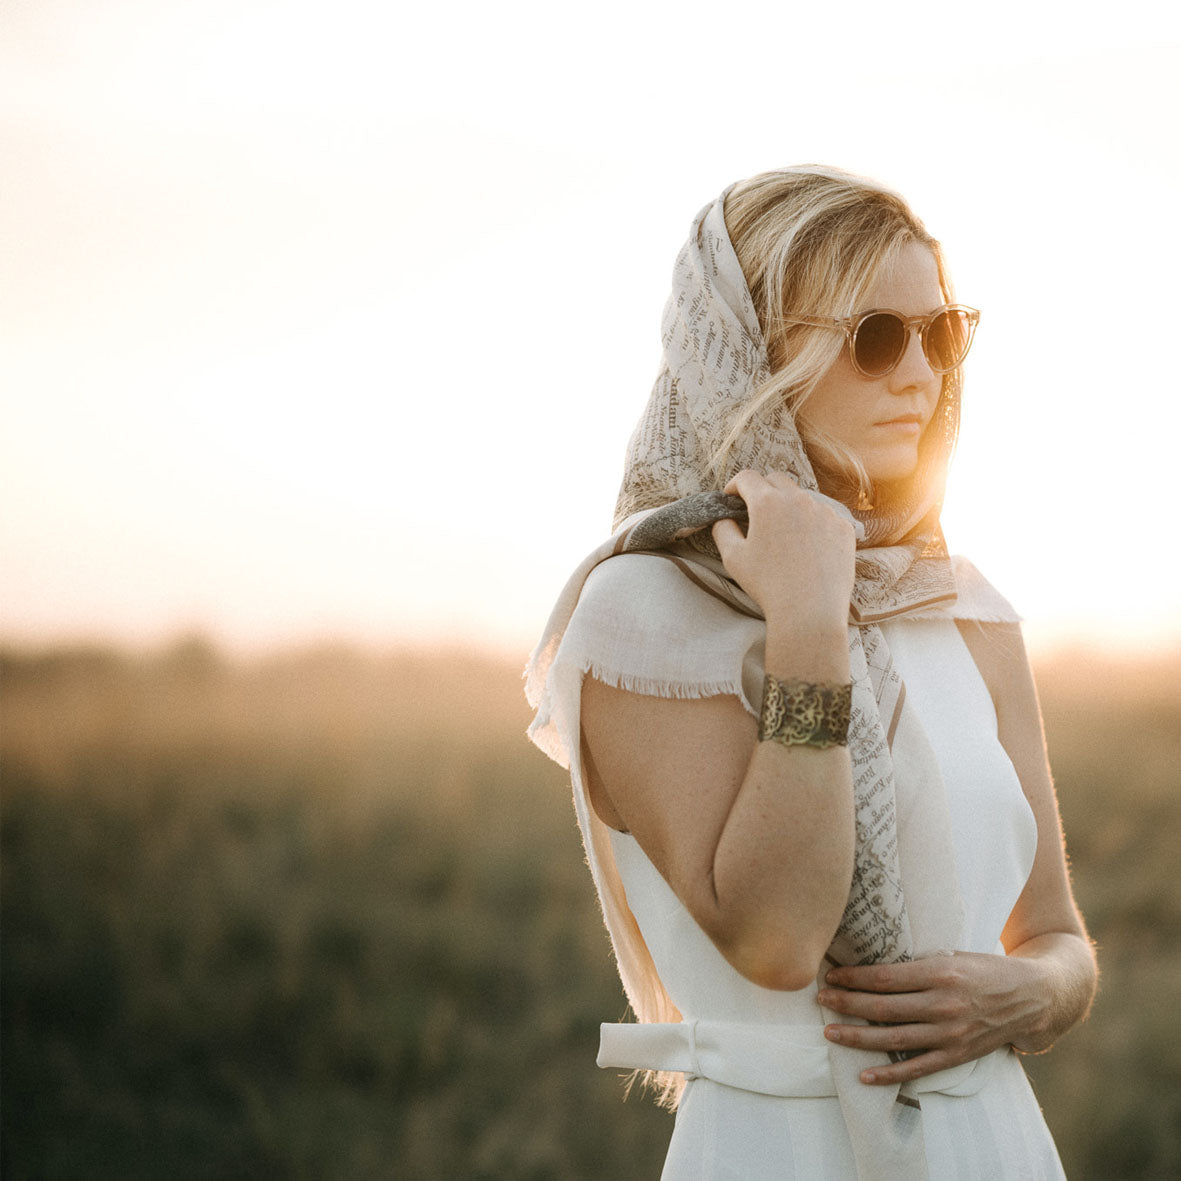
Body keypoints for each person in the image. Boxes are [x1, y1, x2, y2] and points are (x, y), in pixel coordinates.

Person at [525, 166, 1097, 1180]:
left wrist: (1030, 994)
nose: (920, 375)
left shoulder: (960, 604)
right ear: (749, 353)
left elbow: (1055, 934)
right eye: (875, 337)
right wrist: (805, 621)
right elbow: (777, 937)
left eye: (940, 333)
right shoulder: (639, 609)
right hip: (777, 1148)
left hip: (996, 1142)